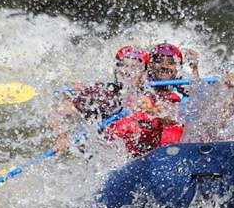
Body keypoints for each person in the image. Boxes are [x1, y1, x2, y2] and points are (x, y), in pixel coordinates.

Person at [48, 45, 181, 157]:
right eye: (124, 65)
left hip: (147, 159)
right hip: (113, 162)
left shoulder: (153, 95)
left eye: (135, 67)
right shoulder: (102, 95)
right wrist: (61, 135)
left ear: (144, 74)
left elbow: (173, 120)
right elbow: (54, 112)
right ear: (116, 69)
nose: (128, 72)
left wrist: (152, 111)